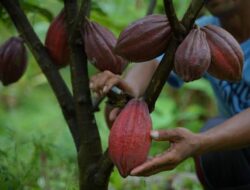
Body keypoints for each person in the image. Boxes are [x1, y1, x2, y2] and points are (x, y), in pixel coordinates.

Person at [89, 0, 250, 189]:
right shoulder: (203, 32)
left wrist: (200, 142)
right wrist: (130, 88)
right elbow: (154, 63)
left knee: (213, 133)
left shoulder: (208, 36)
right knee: (217, 151)